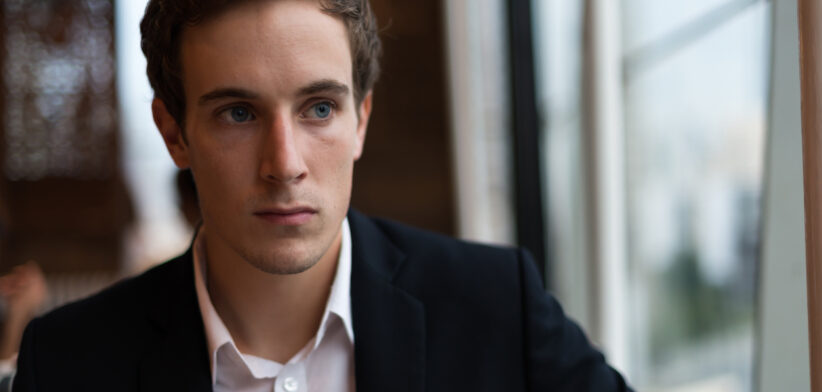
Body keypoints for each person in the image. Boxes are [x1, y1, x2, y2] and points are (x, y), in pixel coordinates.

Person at [13, 0, 632, 391]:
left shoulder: (497, 307)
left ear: (360, 120)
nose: (285, 165)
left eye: (318, 107)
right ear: (174, 133)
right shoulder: (67, 364)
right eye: (237, 114)